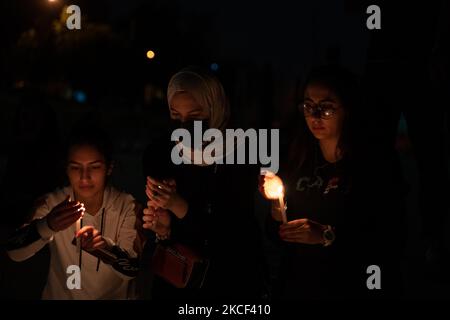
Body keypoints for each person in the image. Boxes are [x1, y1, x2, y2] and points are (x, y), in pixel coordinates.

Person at [260, 65, 404, 299]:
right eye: (308, 106)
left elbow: (390, 238)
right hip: (299, 285)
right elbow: (276, 236)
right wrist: (277, 203)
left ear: (348, 108)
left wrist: (327, 235)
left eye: (326, 108)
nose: (315, 116)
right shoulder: (297, 159)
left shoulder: (375, 165)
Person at [141, 66, 266, 300]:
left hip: (228, 282)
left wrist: (179, 206)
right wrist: (162, 227)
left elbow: (235, 233)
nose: (185, 126)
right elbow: (165, 230)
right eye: (176, 116)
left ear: (215, 108)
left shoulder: (241, 153)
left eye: (196, 117)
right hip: (179, 280)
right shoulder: (163, 154)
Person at [5, 125, 143, 299]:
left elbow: (132, 269)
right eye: (76, 167)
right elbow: (14, 252)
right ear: (66, 168)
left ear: (109, 168)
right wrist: (47, 225)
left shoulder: (127, 207)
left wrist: (104, 247)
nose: (84, 177)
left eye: (94, 167)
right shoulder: (52, 204)